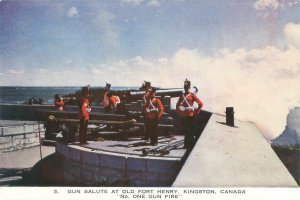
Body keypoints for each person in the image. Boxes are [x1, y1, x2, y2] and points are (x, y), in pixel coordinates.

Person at [176, 79, 203, 150]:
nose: (186, 89)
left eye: (186, 87)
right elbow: (200, 104)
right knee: (189, 131)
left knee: (188, 131)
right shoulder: (188, 95)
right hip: (189, 115)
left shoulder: (184, 96)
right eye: (186, 87)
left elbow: (200, 104)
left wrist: (180, 113)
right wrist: (196, 112)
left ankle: (188, 145)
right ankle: (188, 146)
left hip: (187, 116)